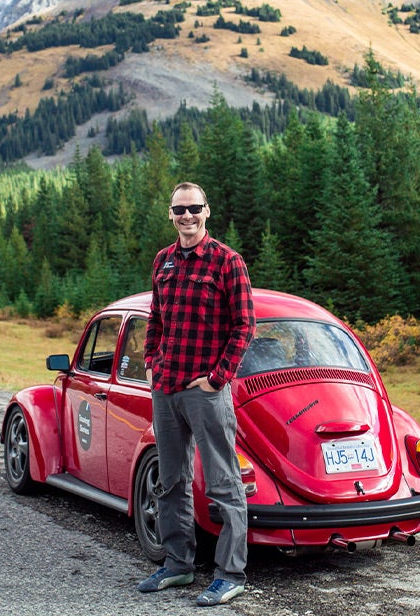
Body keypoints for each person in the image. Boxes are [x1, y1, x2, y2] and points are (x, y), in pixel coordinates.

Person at [137, 182, 255, 607]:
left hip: (205, 392)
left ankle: (230, 573)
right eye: (179, 209)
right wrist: (151, 361)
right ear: (170, 214)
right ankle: (178, 564)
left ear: (207, 211)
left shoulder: (228, 262)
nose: (187, 216)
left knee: (224, 483)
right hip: (166, 389)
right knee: (172, 482)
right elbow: (156, 319)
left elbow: (244, 327)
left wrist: (217, 378)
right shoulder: (163, 261)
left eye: (194, 208)